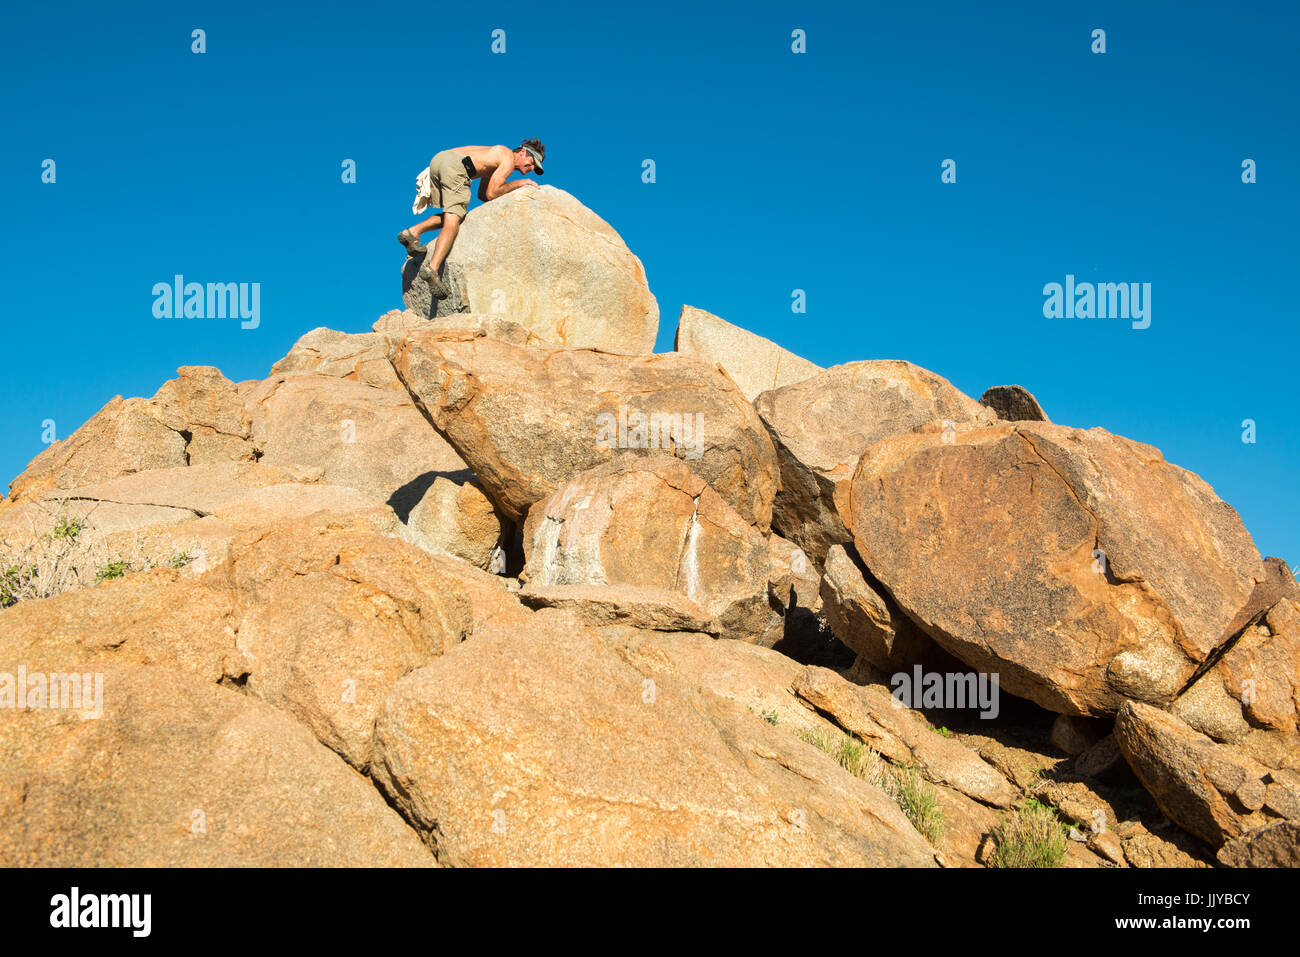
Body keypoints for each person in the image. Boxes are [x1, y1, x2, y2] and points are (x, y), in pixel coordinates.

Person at [399, 139, 546, 299]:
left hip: (440, 160)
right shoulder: (508, 158)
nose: (529, 170)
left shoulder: (495, 154)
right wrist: (520, 184)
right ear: (522, 152)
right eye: (531, 164)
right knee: (453, 222)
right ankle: (432, 269)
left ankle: (413, 232)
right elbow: (492, 193)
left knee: (454, 215)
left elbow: (483, 194)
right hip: (455, 167)